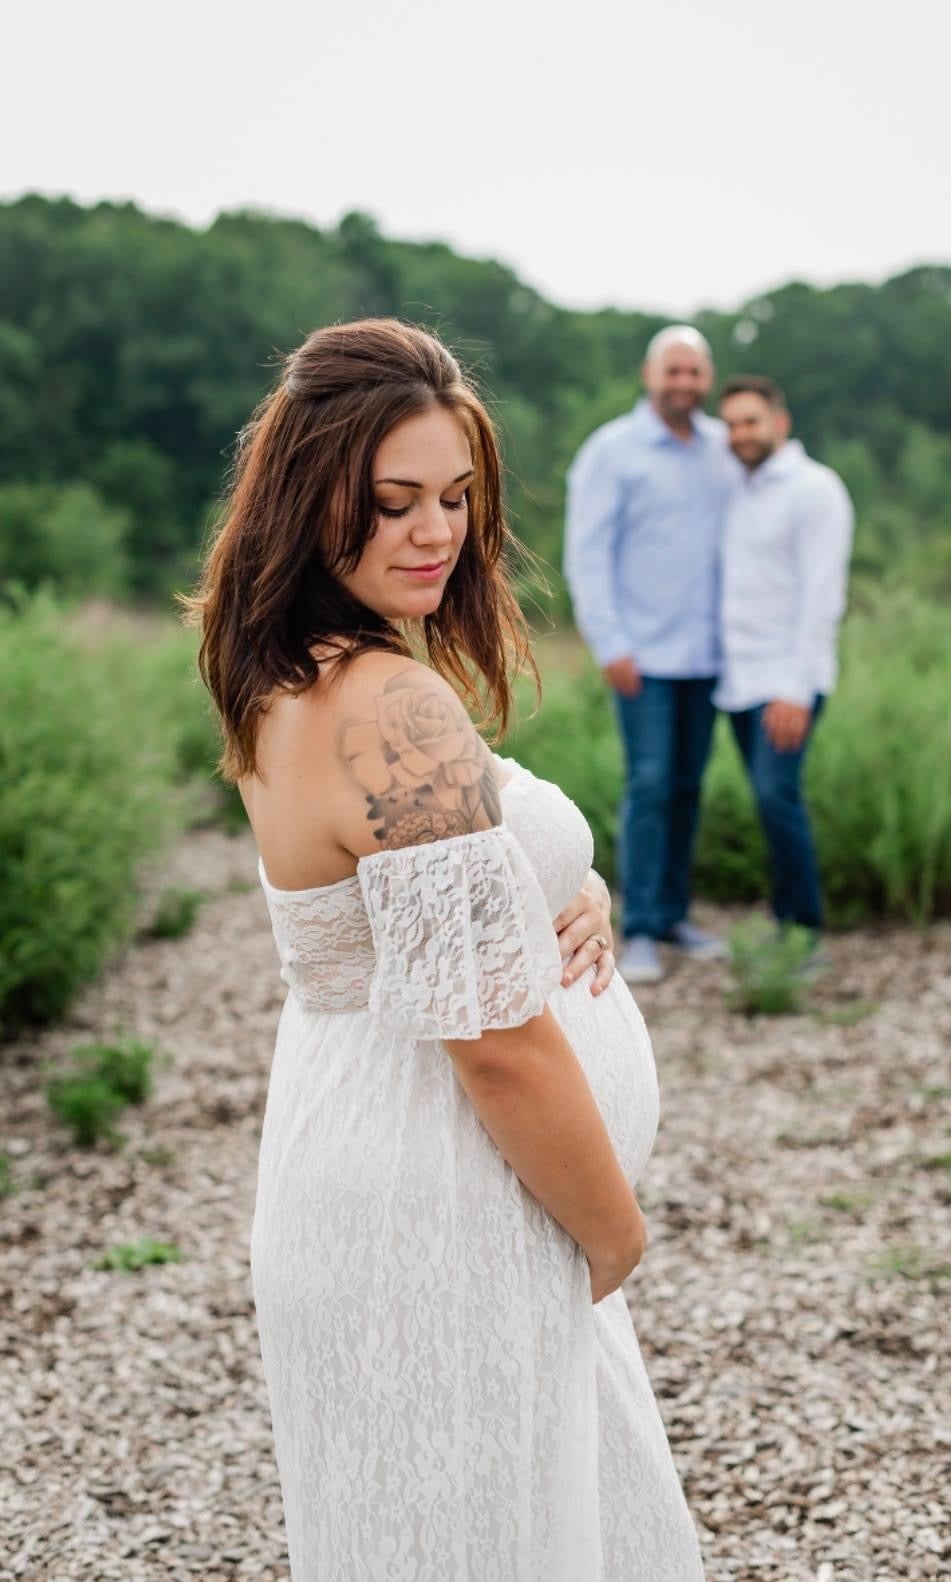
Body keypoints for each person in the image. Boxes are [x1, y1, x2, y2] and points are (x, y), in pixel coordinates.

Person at [188, 319, 704, 1581]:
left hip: (377, 1171)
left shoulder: (298, 672)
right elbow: (494, 1045)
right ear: (313, 501)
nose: (438, 532)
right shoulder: (382, 704)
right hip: (439, 1201)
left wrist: (563, 881)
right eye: (395, 502)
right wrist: (614, 1230)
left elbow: (450, 856)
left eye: (458, 497)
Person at [564, 325, 735, 985]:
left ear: (707, 380)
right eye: (674, 372)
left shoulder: (723, 449)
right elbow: (588, 552)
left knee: (690, 787)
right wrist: (610, 642)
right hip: (644, 654)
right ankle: (635, 929)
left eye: (694, 373)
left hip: (711, 655)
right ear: (649, 375)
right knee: (650, 785)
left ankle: (673, 917)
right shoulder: (613, 451)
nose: (684, 383)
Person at [715, 374, 854, 936]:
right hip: (738, 679)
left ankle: (803, 928)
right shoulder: (739, 489)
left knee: (777, 798)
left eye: (751, 421)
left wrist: (796, 688)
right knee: (769, 801)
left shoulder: (815, 489)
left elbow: (824, 597)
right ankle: (783, 918)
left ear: (780, 422)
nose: (740, 434)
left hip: (786, 679)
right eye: (731, 425)